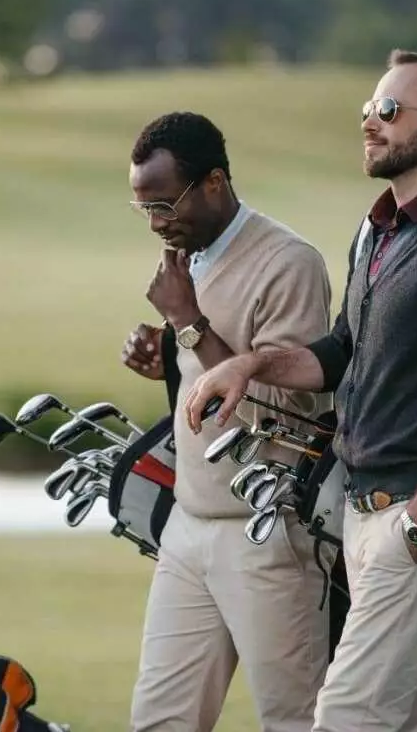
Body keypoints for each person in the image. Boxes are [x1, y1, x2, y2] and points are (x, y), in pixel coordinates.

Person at [183, 50, 417, 732]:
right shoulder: (376, 232)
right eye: (366, 111)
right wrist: (247, 365)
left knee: (346, 715)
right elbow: (341, 352)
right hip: (363, 513)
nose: (369, 124)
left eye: (388, 111)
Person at [120, 111, 336, 732]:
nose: (158, 224)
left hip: (268, 532)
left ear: (214, 182)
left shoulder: (288, 262)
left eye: (166, 204)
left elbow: (286, 412)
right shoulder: (190, 256)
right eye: (145, 210)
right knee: (159, 718)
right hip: (189, 528)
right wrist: (166, 351)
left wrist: (186, 321)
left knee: (291, 718)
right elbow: (207, 367)